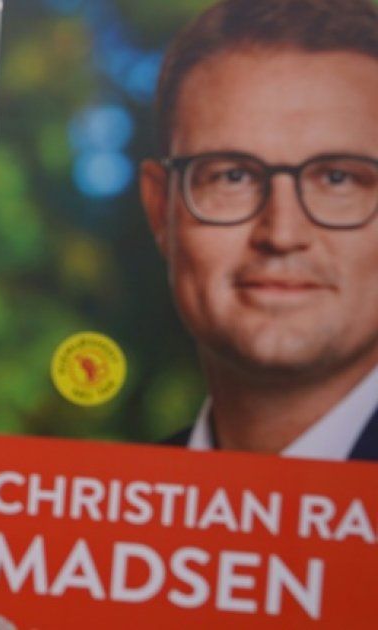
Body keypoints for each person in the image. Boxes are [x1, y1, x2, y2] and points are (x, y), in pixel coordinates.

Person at [138, 0, 378, 460]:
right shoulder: (117, 495)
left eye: (337, 179)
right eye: (232, 176)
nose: (281, 234)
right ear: (160, 209)